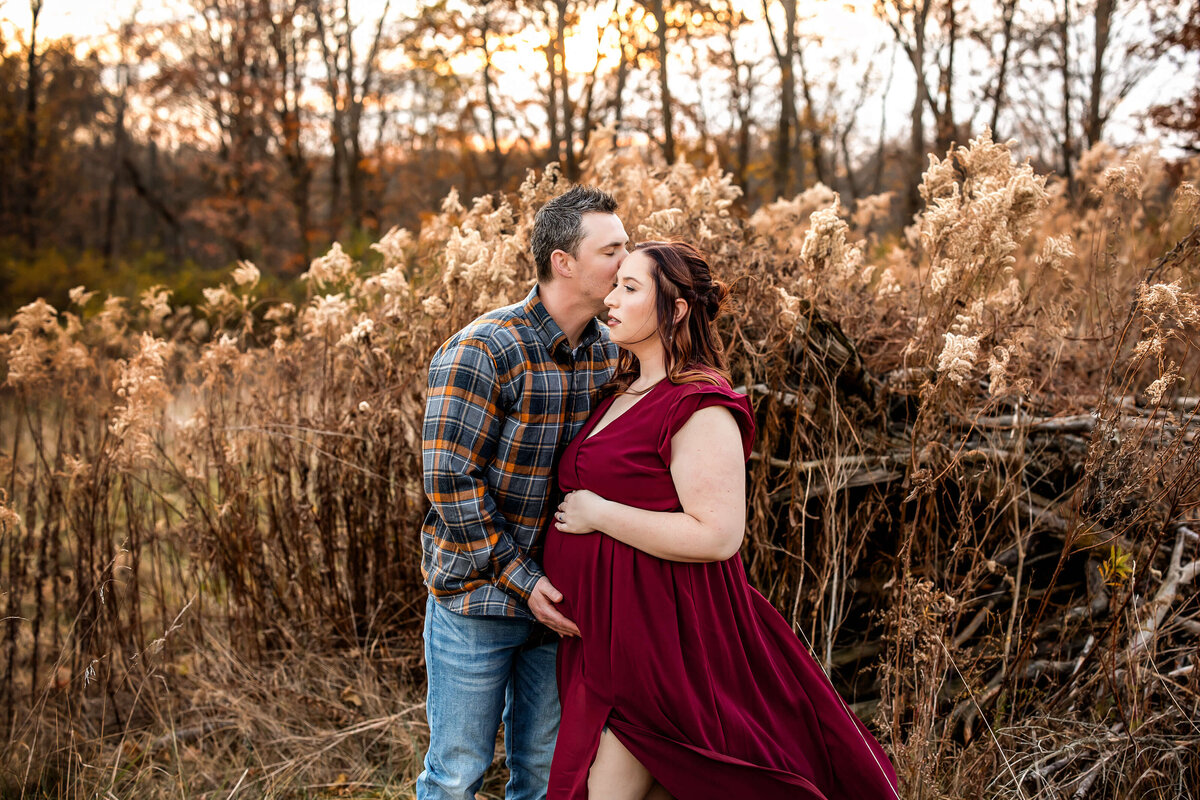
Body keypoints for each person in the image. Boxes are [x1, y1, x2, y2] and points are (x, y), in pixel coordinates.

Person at [544, 241, 901, 800]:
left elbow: (717, 535)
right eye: (614, 285)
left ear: (677, 309)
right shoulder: (621, 388)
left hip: (664, 646)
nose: (611, 299)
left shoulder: (700, 405)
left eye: (630, 288)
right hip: (609, 639)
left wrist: (599, 512)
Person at [417, 185, 629, 800]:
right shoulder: (484, 350)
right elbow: (450, 483)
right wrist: (523, 580)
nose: (627, 260)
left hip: (560, 607)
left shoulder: (609, 354)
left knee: (543, 776)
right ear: (564, 262)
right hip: (477, 598)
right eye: (611, 248)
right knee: (457, 773)